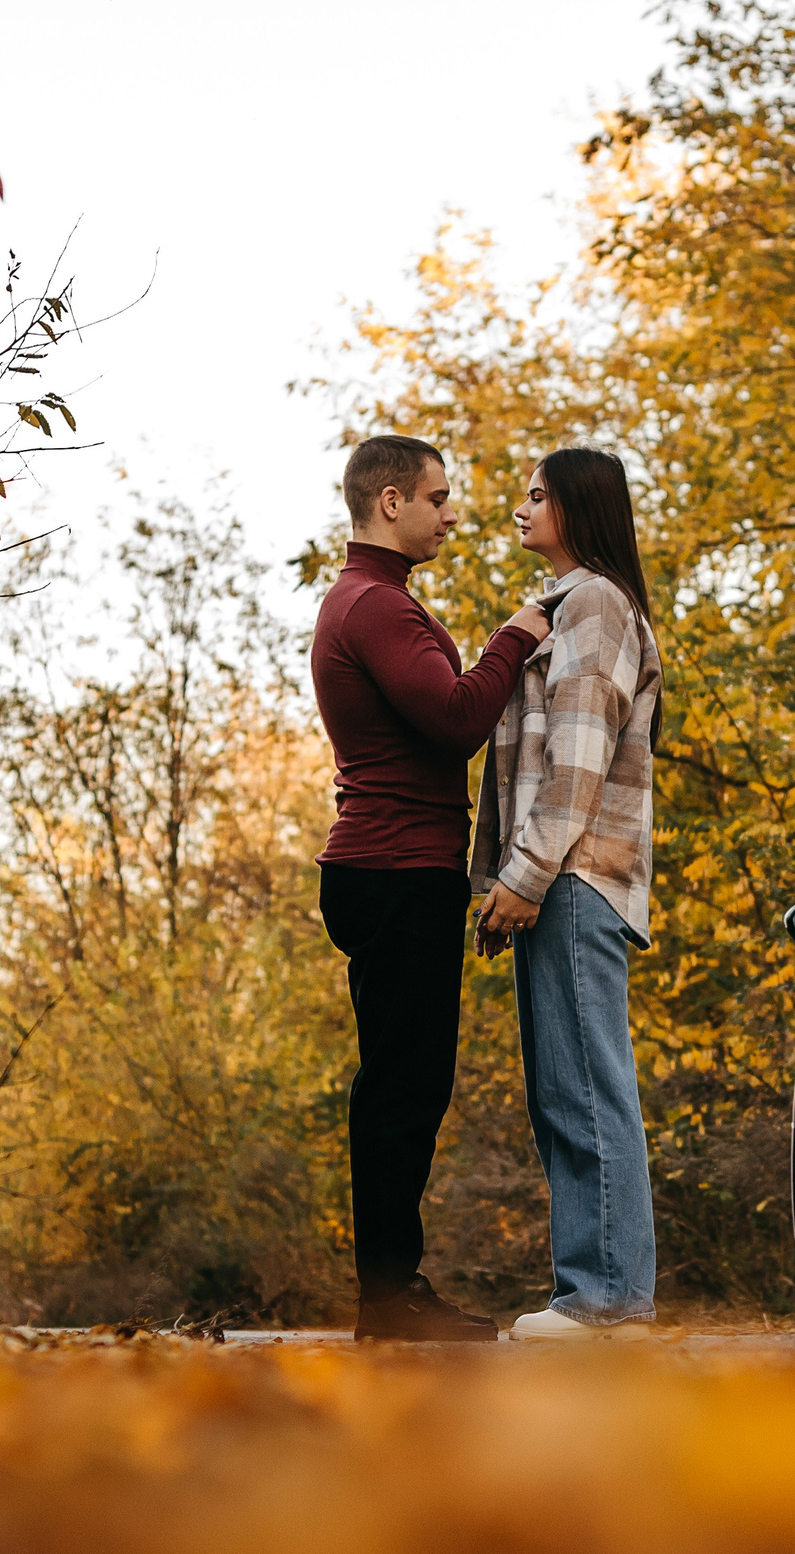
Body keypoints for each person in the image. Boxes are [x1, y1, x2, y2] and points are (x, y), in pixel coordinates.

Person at [311, 435, 552, 1342]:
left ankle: (392, 1291)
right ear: (389, 503)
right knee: (403, 1088)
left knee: (402, 1082)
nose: (453, 513)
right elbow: (456, 720)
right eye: (439, 497)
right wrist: (514, 637)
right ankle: (389, 1300)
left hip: (390, 866)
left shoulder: (373, 603)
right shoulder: (376, 608)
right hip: (394, 867)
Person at [471, 447, 665, 1342]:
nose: (522, 506)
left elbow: (577, 755)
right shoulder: (568, 606)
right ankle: (590, 1298)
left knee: (586, 1088)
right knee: (565, 1091)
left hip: (575, 876)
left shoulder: (592, 604)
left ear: (579, 506)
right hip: (564, 877)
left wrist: (524, 874)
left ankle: (607, 1303)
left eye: (537, 494)